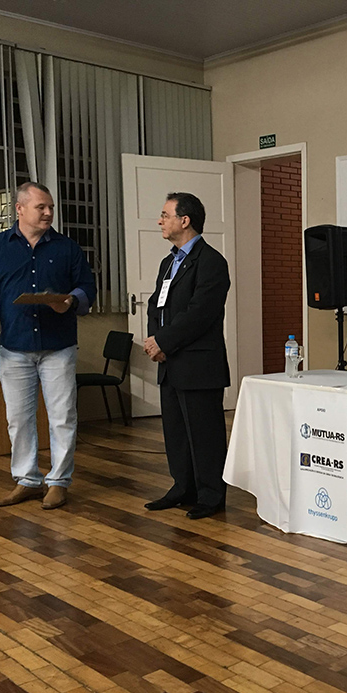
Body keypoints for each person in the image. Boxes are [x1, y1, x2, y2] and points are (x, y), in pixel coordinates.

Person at [0, 182, 96, 510]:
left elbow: (87, 287)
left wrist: (70, 301)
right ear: (20, 209)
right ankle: (27, 480)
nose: (49, 213)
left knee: (62, 417)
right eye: (41, 207)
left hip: (59, 346)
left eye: (51, 207)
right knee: (18, 419)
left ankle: (58, 482)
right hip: (15, 346)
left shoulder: (67, 248)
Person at [143, 192, 231, 520]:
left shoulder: (211, 262)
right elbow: (156, 305)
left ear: (185, 220)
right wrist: (155, 341)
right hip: (170, 361)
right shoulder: (168, 262)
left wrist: (164, 341)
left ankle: (210, 495)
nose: (160, 221)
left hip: (198, 364)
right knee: (176, 433)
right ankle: (183, 487)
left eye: (165, 215)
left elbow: (200, 313)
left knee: (205, 434)